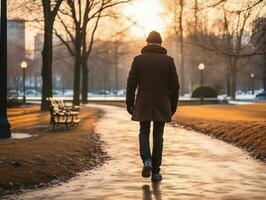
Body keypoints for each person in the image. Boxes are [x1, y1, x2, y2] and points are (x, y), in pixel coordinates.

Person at [126, 31, 180, 182]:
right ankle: (155, 172)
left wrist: (129, 103)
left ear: (147, 43)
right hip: (162, 103)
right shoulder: (169, 61)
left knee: (144, 131)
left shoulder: (138, 60)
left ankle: (147, 160)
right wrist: (172, 106)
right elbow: (175, 86)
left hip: (143, 101)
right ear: (161, 43)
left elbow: (131, 84)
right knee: (158, 136)